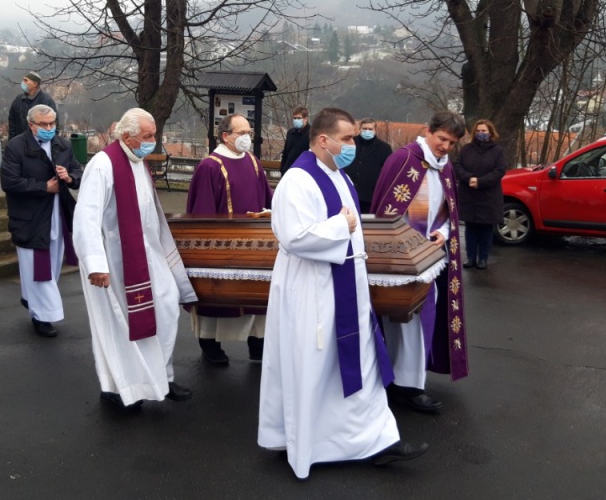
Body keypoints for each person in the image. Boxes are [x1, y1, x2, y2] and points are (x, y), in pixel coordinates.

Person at [258, 107, 428, 480]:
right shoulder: (298, 181)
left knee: (359, 363)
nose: (353, 144)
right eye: (347, 138)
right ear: (324, 140)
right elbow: (293, 237)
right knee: (317, 368)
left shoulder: (339, 175)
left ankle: (375, 439)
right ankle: (310, 441)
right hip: (313, 291)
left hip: (346, 286)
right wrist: (340, 225)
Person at [73, 108, 196, 409]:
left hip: (149, 254)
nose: (153, 141)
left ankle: (162, 376)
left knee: (166, 308)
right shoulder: (104, 164)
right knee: (120, 325)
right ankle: (120, 388)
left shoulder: (139, 162)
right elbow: (86, 216)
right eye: (147, 136)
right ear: (127, 136)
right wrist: (96, 264)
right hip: (116, 261)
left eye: (154, 135)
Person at [370, 111, 469, 413]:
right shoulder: (404, 159)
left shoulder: (445, 166)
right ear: (428, 131)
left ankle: (408, 382)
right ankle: (401, 384)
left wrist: (443, 232)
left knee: (420, 319)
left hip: (429, 258)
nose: (445, 147)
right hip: (399, 256)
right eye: (442, 139)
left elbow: (448, 212)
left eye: (452, 143)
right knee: (400, 320)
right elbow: (385, 209)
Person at [186, 113, 274, 364]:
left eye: (249, 133)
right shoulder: (210, 166)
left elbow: (267, 199)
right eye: (242, 133)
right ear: (225, 136)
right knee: (217, 297)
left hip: (254, 245)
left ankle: (257, 342)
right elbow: (202, 212)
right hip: (222, 247)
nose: (247, 138)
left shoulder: (253, 162)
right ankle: (209, 343)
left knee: (256, 296)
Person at [0, 104, 83, 338]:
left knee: (53, 266)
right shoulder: (17, 146)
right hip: (30, 218)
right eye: (43, 124)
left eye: (52, 123)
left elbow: (78, 171)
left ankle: (31, 299)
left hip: (57, 215)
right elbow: (9, 181)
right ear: (31, 125)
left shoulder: (62, 145)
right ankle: (43, 317)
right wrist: (42, 187)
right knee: (38, 269)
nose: (49, 128)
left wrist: (69, 178)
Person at [454, 119, 507, 270]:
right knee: (470, 227)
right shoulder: (466, 149)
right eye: (478, 131)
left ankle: (483, 258)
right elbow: (457, 166)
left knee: (485, 229)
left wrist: (480, 182)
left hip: (488, 195)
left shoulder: (497, 150)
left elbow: (500, 170)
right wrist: (469, 178)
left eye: (483, 131)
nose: (480, 133)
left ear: (490, 133)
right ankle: (470, 257)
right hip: (468, 194)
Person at [344, 117, 393, 213]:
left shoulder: (384, 148)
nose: (367, 131)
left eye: (370, 129)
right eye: (365, 129)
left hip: (369, 197)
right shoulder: (350, 143)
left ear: (375, 130)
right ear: (359, 129)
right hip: (348, 193)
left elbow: (388, 172)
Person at [7, 71, 58, 140]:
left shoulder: (46, 101)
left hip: (39, 142)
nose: (23, 83)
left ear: (35, 84)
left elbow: (54, 123)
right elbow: (12, 124)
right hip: (20, 142)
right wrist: (12, 141)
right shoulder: (18, 100)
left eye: (26, 80)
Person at [279, 106, 310, 175]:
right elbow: (285, 153)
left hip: (302, 173)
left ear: (305, 119)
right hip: (288, 171)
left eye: (299, 118)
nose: (296, 120)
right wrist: (282, 169)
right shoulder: (290, 133)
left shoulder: (311, 134)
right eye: (294, 118)